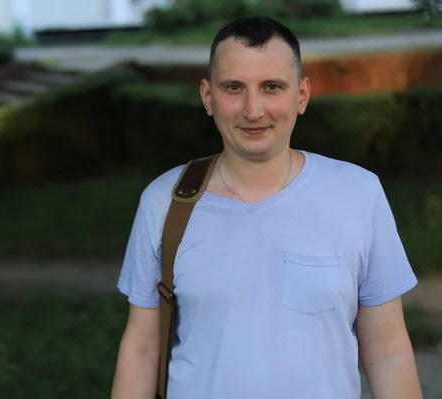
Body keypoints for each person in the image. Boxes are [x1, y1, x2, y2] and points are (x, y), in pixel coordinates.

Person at [111, 15, 422, 399]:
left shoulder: (358, 193)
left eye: (271, 87)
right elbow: (141, 351)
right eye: (234, 88)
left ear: (302, 95)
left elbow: (388, 350)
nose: (253, 110)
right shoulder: (164, 202)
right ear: (208, 97)